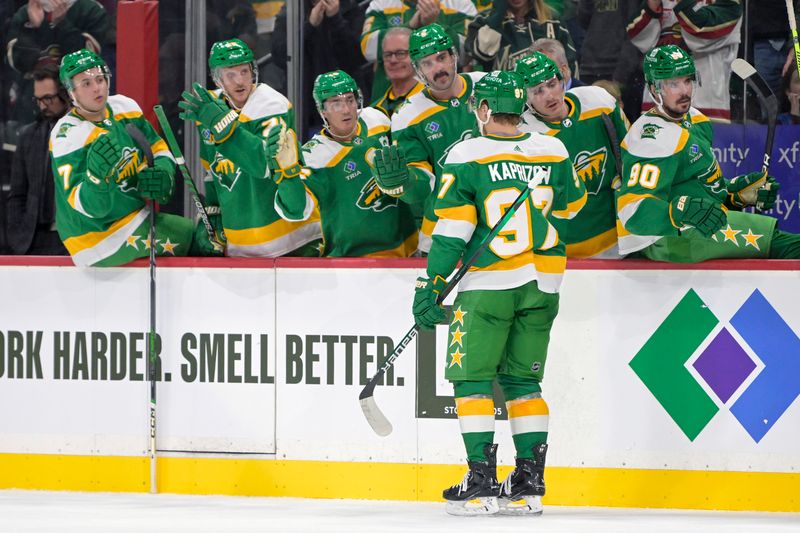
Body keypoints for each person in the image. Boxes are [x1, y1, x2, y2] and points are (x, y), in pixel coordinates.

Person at [412, 70, 583, 516]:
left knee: (471, 380)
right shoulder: (553, 148)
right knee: (524, 382)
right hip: (544, 283)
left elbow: (452, 232)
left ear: (484, 109)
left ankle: (481, 483)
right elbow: (572, 206)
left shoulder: (467, 154)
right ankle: (528, 484)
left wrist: (430, 284)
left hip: (488, 285)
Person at [617, 45, 800, 261]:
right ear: (655, 89)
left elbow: (702, 190)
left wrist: (736, 194)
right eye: (673, 84)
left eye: (687, 81)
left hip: (697, 228)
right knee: (787, 245)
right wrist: (679, 211)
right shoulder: (652, 138)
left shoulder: (696, 120)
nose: (685, 91)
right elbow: (633, 211)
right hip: (669, 239)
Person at [50, 49, 218, 267]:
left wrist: (164, 171)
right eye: (86, 84)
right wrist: (96, 180)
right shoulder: (68, 135)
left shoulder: (124, 107)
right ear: (71, 93)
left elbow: (157, 146)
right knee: (200, 239)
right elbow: (87, 207)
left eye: (99, 79)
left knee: (206, 234)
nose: (97, 88)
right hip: (97, 237)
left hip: (134, 218)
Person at [178, 38, 322, 257]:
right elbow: (212, 170)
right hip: (242, 243)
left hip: (293, 240)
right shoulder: (208, 108)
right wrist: (214, 212)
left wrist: (223, 125)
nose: (240, 81)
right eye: (231, 74)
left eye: (244, 72)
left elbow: (265, 165)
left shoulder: (272, 105)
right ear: (218, 79)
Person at [273, 70, 418, 257]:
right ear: (322, 110)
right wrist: (288, 174)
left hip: (407, 249)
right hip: (351, 261)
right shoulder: (315, 156)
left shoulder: (376, 120)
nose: (346, 109)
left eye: (350, 100)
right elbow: (295, 211)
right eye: (336, 103)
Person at [375, 23, 485, 253]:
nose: (438, 68)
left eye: (441, 57)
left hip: (497, 222)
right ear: (418, 70)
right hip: (442, 231)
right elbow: (421, 187)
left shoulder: (486, 86)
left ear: (454, 56)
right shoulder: (407, 116)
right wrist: (405, 182)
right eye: (427, 63)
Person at [517, 51, 628, 258]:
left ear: (563, 80)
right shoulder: (524, 135)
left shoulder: (599, 102)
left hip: (613, 239)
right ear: (526, 97)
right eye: (538, 91)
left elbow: (631, 154)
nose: (549, 96)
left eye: (551, 84)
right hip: (556, 249)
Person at [626, 0, 741, 122]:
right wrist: (653, 5)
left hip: (705, 102)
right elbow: (636, 34)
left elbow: (702, 30)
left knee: (704, 139)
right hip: (658, 100)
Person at [5, 0, 109, 122]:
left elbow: (86, 60)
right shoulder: (26, 13)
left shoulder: (90, 10)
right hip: (32, 104)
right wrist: (40, 28)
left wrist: (62, 24)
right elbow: (17, 62)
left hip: (79, 100)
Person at [7, 64, 70, 255]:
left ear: (65, 94)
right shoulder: (28, 136)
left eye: (48, 98)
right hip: (34, 240)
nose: (43, 105)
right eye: (38, 100)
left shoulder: (87, 132)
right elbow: (17, 194)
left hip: (73, 238)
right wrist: (17, 237)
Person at [360, 0, 477, 102]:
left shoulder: (462, 5)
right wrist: (411, 25)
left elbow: (465, 53)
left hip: (445, 97)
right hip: (389, 99)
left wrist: (433, 26)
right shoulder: (380, 4)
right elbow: (368, 48)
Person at [465, 0, 577, 72]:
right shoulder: (482, 21)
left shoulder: (553, 21)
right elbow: (482, 54)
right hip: (502, 98)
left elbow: (569, 64)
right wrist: (497, 16)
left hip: (546, 97)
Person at [371, 27, 424, 118]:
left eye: (401, 53)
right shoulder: (375, 111)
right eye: (387, 54)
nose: (393, 60)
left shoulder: (432, 97)